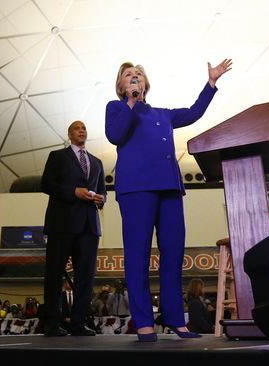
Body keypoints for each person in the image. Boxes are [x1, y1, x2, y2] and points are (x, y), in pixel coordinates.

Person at [105, 59, 232, 342]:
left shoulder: (163, 114)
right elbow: (114, 135)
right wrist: (130, 103)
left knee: (173, 253)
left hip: (169, 188)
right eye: (129, 75)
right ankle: (143, 322)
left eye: (139, 74)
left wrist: (211, 83)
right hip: (137, 188)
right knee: (137, 255)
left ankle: (176, 318)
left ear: (146, 84)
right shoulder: (116, 108)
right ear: (121, 85)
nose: (135, 77)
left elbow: (193, 113)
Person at [41, 120, 106, 337]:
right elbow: (46, 185)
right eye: (78, 128)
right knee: (54, 274)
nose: (82, 131)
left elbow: (103, 192)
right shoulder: (57, 157)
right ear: (69, 134)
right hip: (62, 224)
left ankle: (78, 323)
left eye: (85, 128)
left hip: (89, 227)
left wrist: (100, 199)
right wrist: (73, 192)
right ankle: (51, 323)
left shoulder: (97, 162)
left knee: (86, 277)